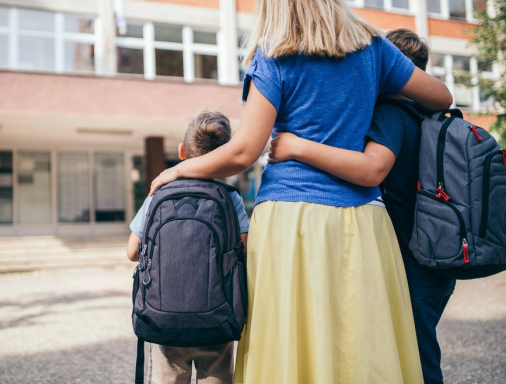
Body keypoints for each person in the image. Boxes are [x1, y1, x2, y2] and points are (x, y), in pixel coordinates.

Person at [149, 0, 453, 382]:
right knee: (357, 341)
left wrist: (180, 170)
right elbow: (441, 96)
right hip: (363, 221)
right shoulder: (374, 49)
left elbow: (244, 151)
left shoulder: (274, 57)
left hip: (291, 222)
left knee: (289, 341)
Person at [267, 28, 457, 384]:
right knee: (418, 347)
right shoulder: (427, 118)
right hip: (437, 252)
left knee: (416, 354)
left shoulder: (392, 114)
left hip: (413, 258)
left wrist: (296, 147)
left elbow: (372, 169)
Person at [127, 109, 250, 384]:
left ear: (182, 152)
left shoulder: (159, 192)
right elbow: (243, 253)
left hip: (164, 320)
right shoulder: (231, 199)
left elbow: (132, 251)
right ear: (225, 156)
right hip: (217, 319)